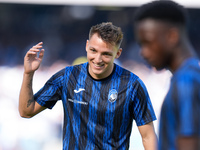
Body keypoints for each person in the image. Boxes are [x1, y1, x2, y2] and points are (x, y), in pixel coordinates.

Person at [19, 22, 157, 150]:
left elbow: (148, 136)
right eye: (93, 50)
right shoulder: (67, 77)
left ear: (118, 53)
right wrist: (28, 73)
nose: (98, 59)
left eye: (106, 54)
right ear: (86, 46)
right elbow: (26, 111)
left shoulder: (132, 85)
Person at [133, 1, 200, 150]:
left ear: (172, 36)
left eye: (148, 42)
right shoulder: (191, 74)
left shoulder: (186, 81)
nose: (143, 52)